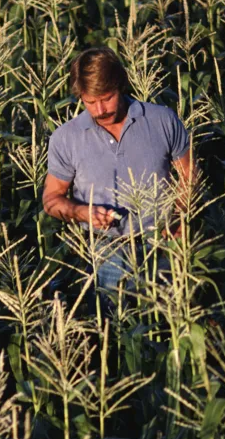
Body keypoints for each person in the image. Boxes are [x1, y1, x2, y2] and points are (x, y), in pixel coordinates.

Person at [42, 46, 193, 307]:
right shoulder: (66, 138)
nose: (100, 109)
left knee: (166, 327)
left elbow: (189, 175)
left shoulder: (162, 120)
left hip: (160, 246)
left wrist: (179, 215)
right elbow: (52, 199)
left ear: (121, 85)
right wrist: (82, 213)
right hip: (104, 251)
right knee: (114, 328)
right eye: (91, 102)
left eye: (107, 98)